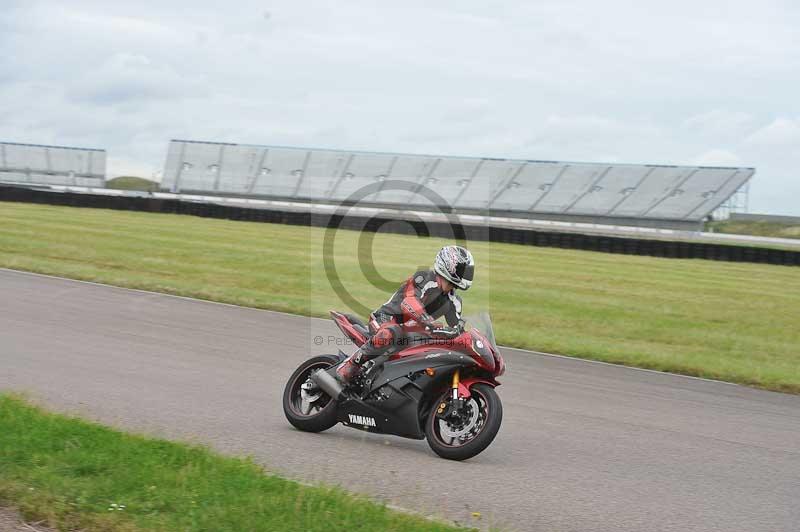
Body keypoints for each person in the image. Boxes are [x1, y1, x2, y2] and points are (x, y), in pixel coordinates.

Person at [335, 245, 475, 385]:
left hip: (412, 332)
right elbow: (408, 302)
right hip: (386, 318)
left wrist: (461, 335)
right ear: (449, 265)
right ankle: (350, 365)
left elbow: (457, 330)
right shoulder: (424, 277)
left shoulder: (455, 302)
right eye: (463, 270)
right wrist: (429, 323)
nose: (465, 274)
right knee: (390, 333)